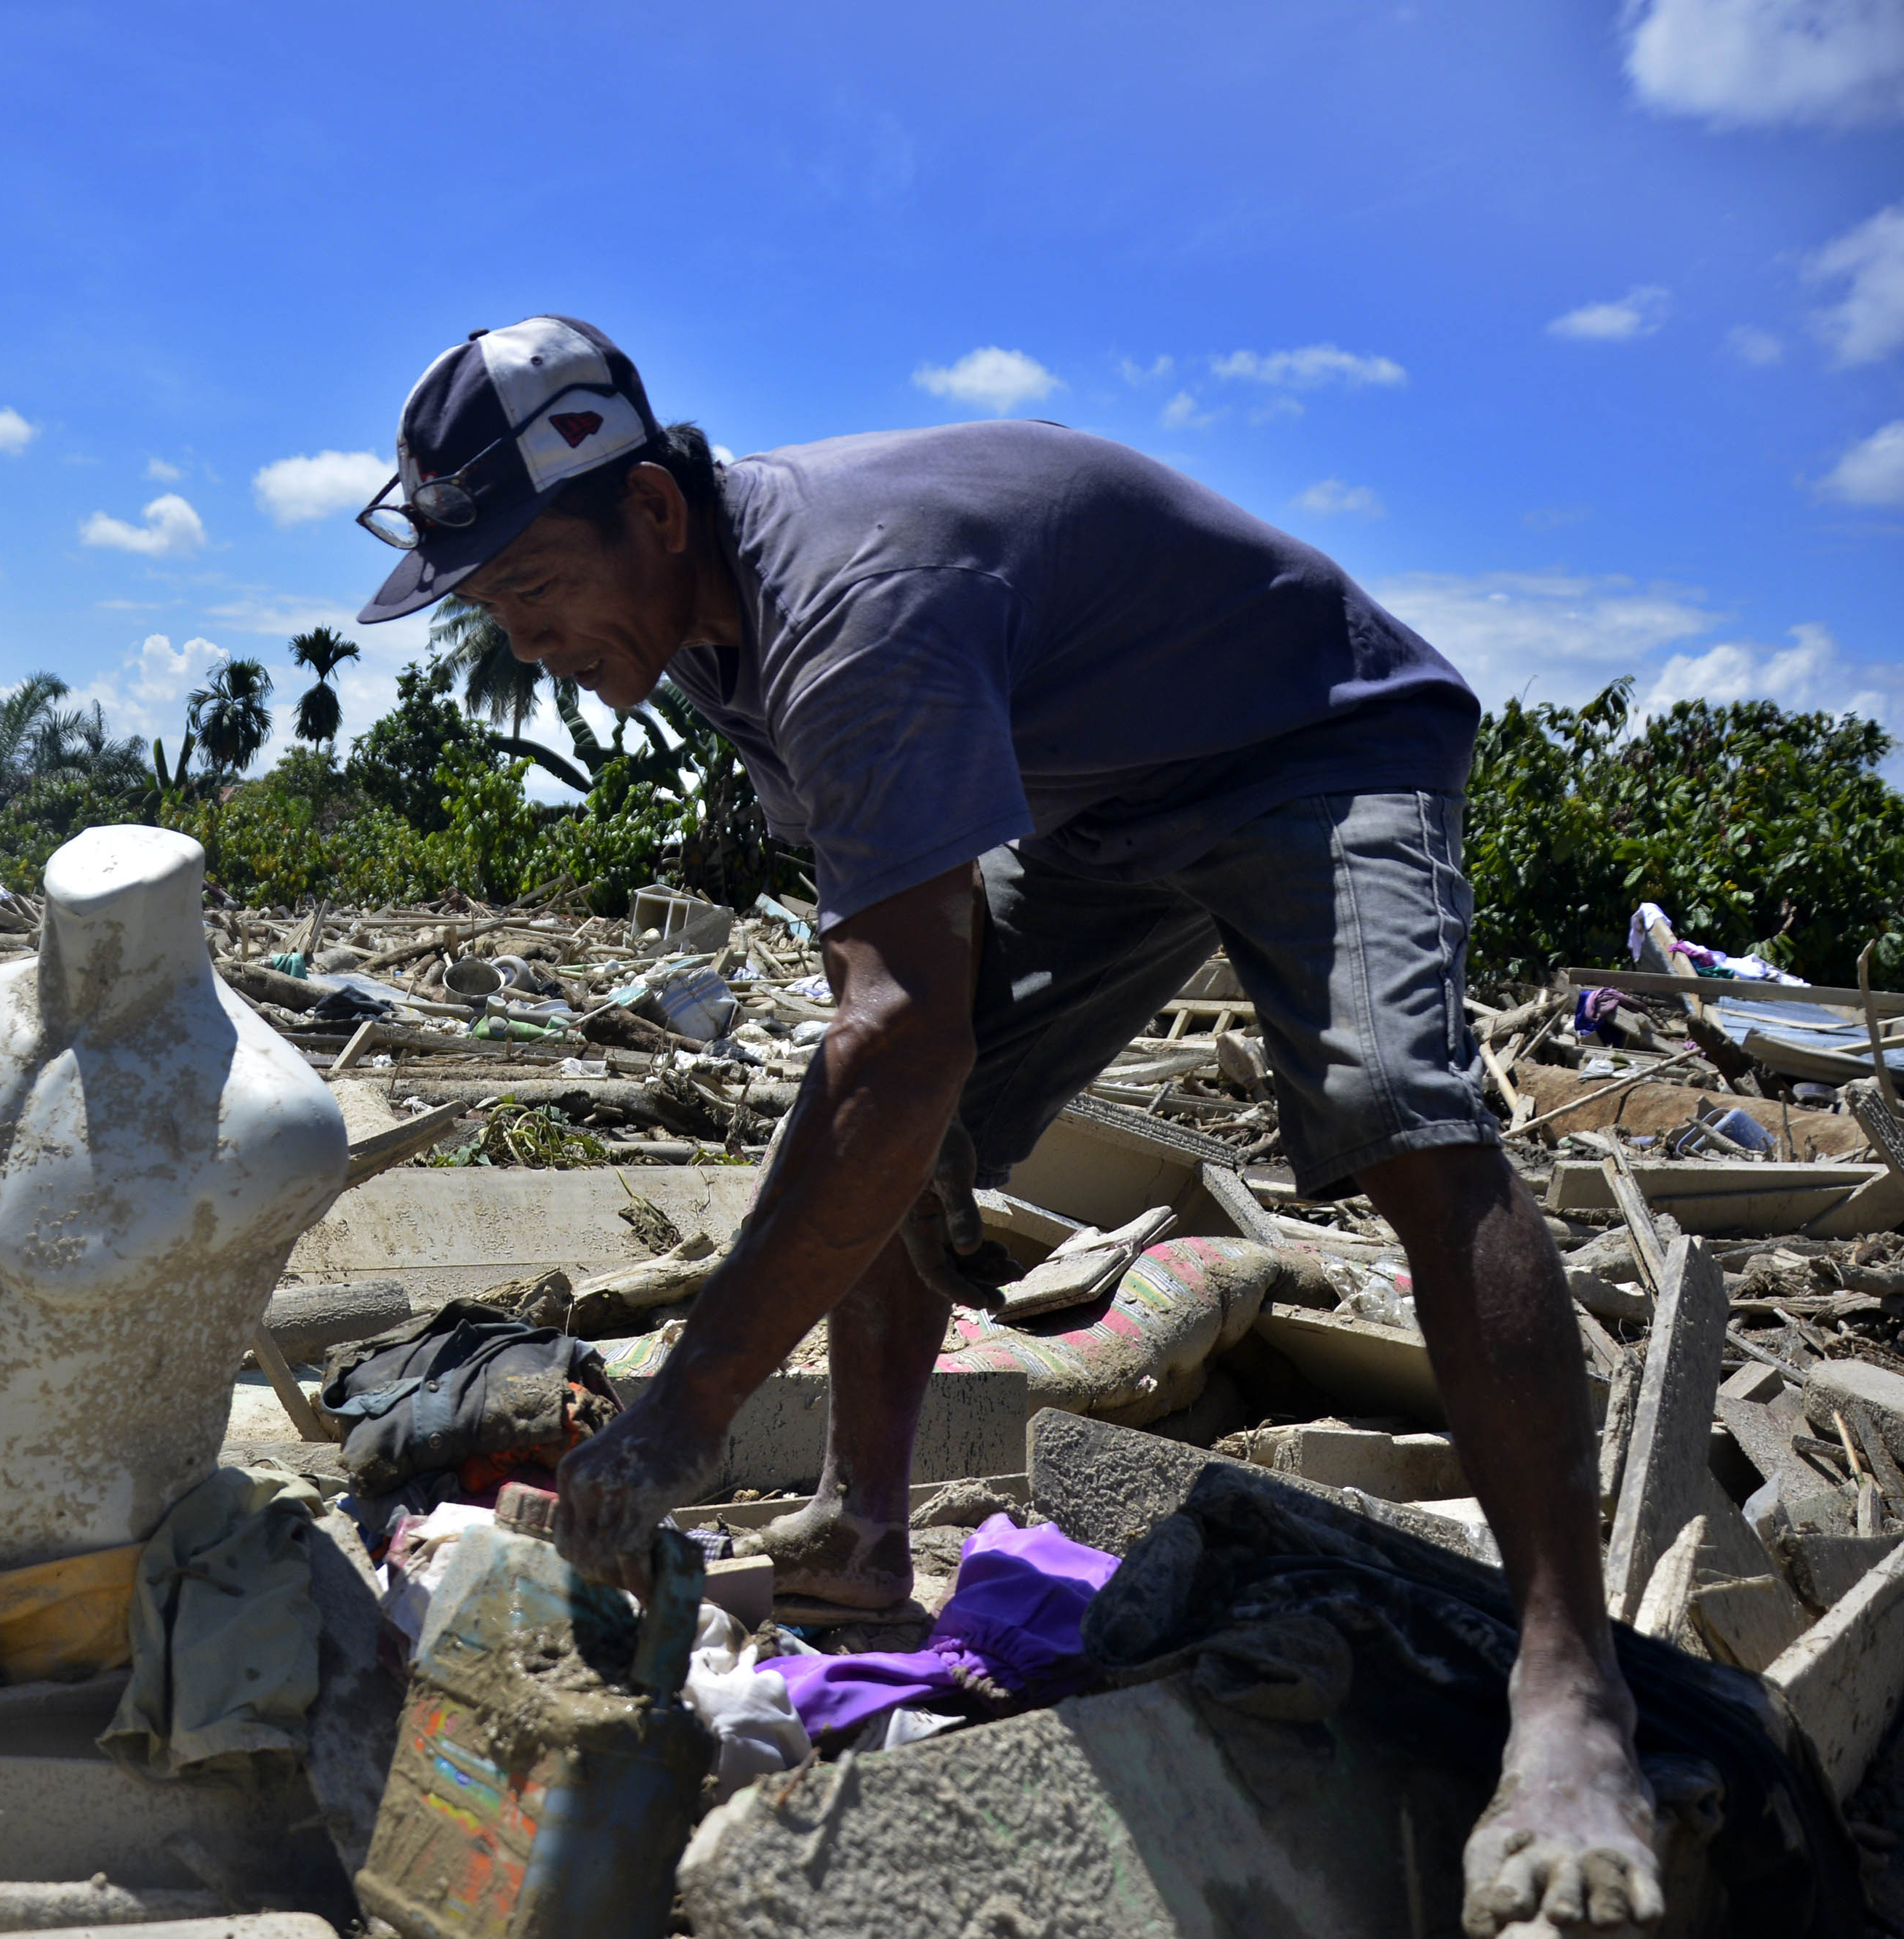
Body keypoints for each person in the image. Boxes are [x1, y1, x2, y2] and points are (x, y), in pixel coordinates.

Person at [351, 316, 1663, 1938]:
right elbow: (879, 1034)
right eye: (491, 612)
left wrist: (682, 1410)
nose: (526, 640)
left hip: (1316, 736)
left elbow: (896, 1040)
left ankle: (1565, 1685)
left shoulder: (851, 602)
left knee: (1404, 1115)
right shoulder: (699, 636)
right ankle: (856, 1529)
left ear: (653, 512)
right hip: (1103, 794)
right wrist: (880, 1106)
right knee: (889, 1117)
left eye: (532, 591)